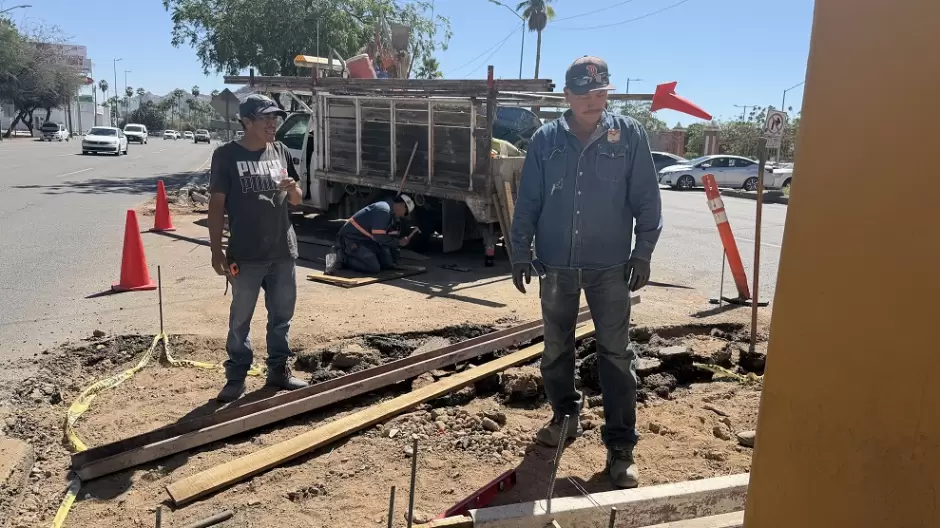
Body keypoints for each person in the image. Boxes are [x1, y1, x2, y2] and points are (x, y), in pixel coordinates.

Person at [509, 56, 663, 489]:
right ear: (568, 96)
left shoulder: (628, 136)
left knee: (616, 355)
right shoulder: (545, 141)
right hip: (557, 265)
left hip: (611, 268)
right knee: (557, 349)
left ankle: (620, 448)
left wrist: (643, 252)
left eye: (602, 93)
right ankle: (565, 416)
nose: (596, 101)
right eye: (586, 94)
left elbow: (647, 199)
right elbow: (529, 202)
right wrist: (520, 250)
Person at [208, 94, 310, 402]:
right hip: (246, 254)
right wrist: (216, 250)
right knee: (241, 318)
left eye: (275, 117)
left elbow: (297, 199)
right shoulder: (226, 155)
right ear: (247, 122)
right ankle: (236, 377)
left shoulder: (280, 150)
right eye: (266, 118)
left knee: (281, 317)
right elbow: (216, 205)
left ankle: (279, 371)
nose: (273, 123)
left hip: (282, 251)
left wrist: (294, 190)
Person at [327, 195, 417, 275]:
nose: (403, 215)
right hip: (351, 238)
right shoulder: (384, 210)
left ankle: (351, 254)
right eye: (405, 213)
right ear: (402, 205)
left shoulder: (389, 211)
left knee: (386, 264)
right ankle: (342, 255)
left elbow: (386, 236)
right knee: (373, 267)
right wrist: (398, 242)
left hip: (365, 239)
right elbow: (379, 237)